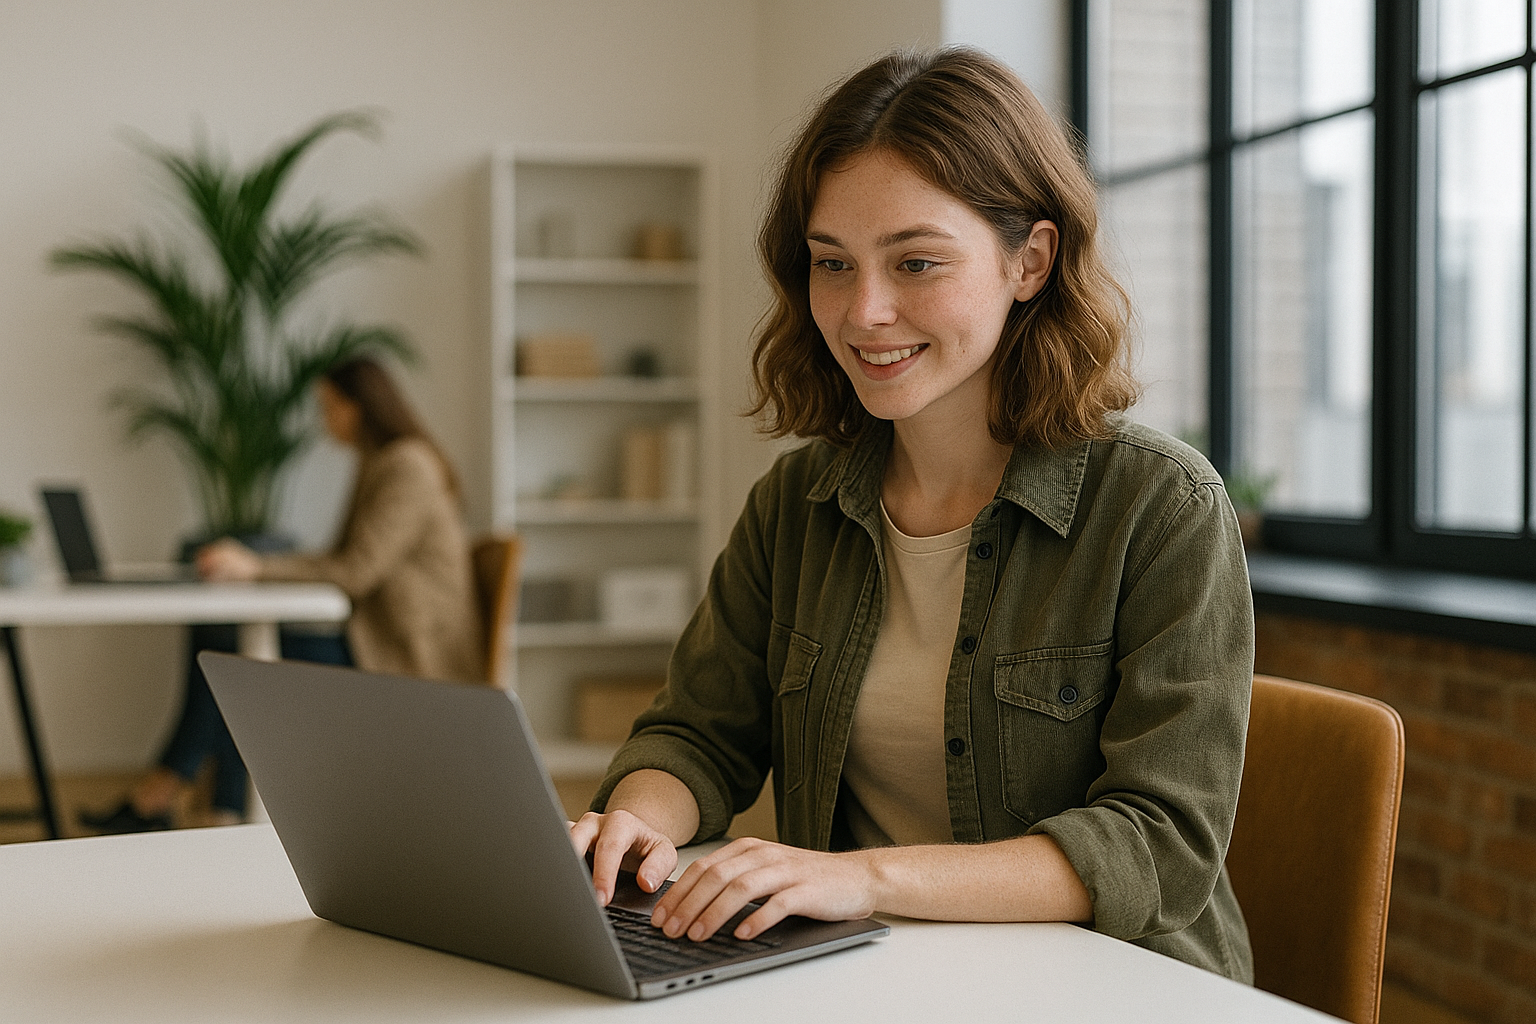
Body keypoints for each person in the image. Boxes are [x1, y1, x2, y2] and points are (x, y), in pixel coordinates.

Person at [570, 48, 1255, 981]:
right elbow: (698, 734)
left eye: (916, 261)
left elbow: (1158, 844)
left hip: (1112, 985)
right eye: (831, 263)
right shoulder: (795, 505)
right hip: (873, 979)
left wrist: (863, 879)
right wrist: (631, 829)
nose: (865, 311)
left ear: (1031, 261)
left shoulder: (1162, 509)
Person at [82, 357, 482, 834]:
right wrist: (256, 568)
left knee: (231, 651)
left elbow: (354, 570)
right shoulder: (380, 463)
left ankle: (185, 798)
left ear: (358, 407)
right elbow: (346, 560)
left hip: (404, 655)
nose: (323, 419)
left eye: (328, 406)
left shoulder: (406, 466)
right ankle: (204, 803)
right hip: (376, 637)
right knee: (225, 643)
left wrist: (255, 566)